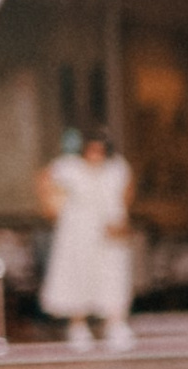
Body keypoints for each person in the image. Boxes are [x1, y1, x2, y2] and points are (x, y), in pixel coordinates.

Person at [36, 131, 135, 351]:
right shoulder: (69, 167)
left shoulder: (116, 167)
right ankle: (78, 325)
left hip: (109, 226)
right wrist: (51, 206)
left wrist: (123, 215)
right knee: (77, 274)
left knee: (113, 275)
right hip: (78, 229)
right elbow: (45, 179)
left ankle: (115, 323)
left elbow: (127, 188)